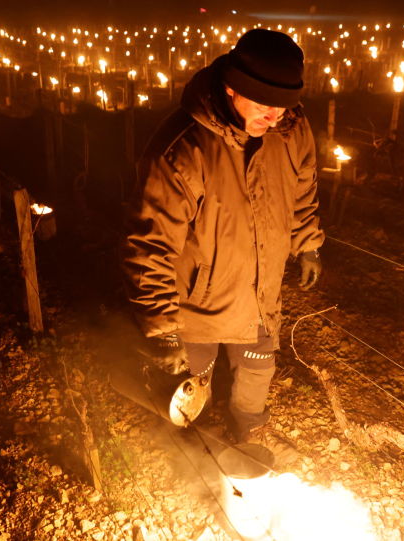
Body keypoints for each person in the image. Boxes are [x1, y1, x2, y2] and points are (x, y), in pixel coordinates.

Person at [121, 29, 325, 443]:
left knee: (257, 366)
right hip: (198, 301)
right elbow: (150, 245)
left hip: (261, 291)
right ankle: (194, 443)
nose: (275, 118)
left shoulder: (292, 131)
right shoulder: (184, 149)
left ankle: (247, 430)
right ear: (232, 89)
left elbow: (302, 191)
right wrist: (161, 330)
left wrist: (307, 243)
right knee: (194, 381)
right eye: (264, 105)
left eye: (284, 107)